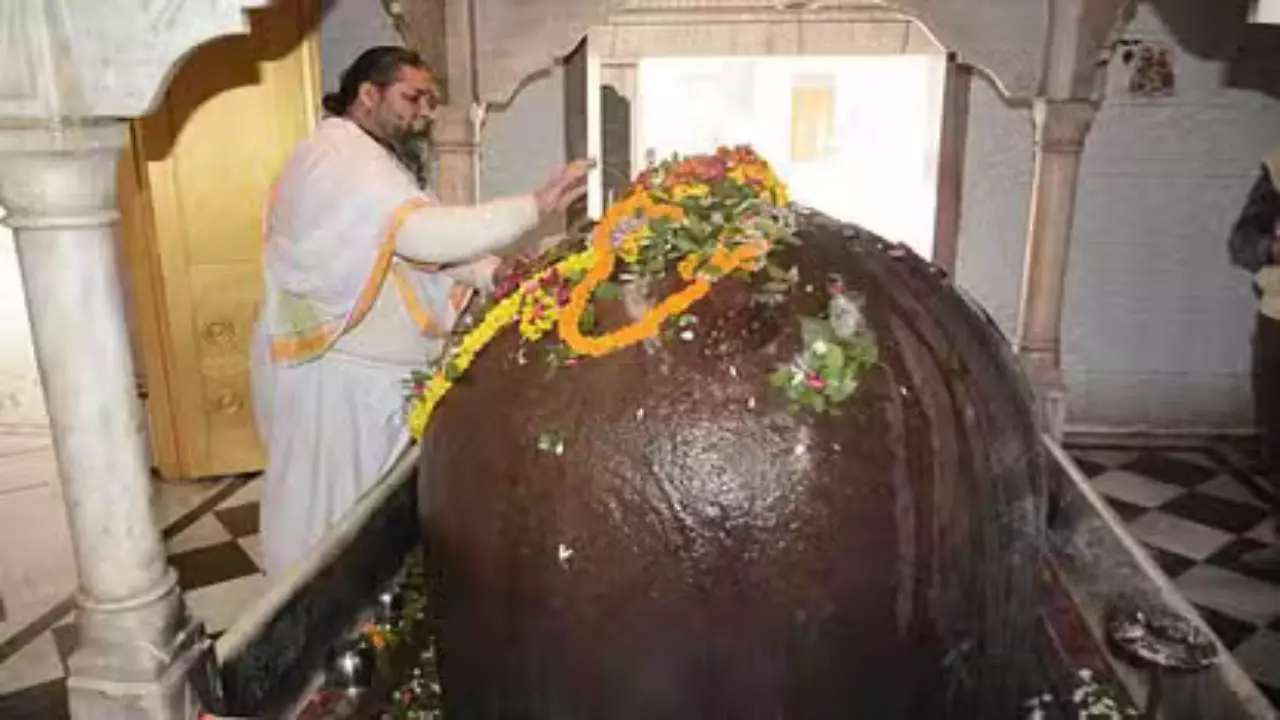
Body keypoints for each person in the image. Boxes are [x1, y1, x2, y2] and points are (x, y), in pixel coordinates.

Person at [251, 46, 590, 576]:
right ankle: (312, 614)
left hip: (374, 375)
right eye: (413, 97)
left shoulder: (374, 160)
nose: (425, 112)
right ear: (368, 93)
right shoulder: (341, 160)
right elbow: (420, 235)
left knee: (370, 513)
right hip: (343, 378)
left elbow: (414, 238)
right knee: (334, 514)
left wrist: (489, 272)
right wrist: (535, 207)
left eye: (431, 100)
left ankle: (369, 600)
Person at [1228, 146, 1280, 570]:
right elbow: (1241, 243)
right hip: (1278, 320)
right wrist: (1272, 247)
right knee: (1276, 431)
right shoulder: (1278, 167)